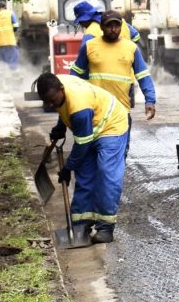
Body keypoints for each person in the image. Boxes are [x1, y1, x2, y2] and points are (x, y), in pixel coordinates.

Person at [38, 71, 129, 244]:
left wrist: (67, 167)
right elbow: (64, 106)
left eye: (53, 100)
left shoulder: (79, 108)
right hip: (90, 124)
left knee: (106, 174)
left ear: (61, 89)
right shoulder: (57, 86)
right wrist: (61, 126)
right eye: (47, 102)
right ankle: (80, 225)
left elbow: (82, 145)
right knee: (85, 176)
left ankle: (106, 228)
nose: (51, 104)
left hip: (111, 125)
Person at [70, 9, 156, 148]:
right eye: (109, 26)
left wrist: (150, 101)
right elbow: (75, 74)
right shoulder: (89, 46)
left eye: (117, 26)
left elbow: (143, 76)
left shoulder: (131, 48)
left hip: (122, 110)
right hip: (96, 110)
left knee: (122, 151)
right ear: (102, 27)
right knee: (95, 150)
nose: (113, 29)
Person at [73, 0, 141, 46]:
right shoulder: (120, 21)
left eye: (80, 22)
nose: (81, 25)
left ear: (85, 20)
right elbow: (136, 36)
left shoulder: (90, 32)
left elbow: (84, 56)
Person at [0, 0, 20, 71]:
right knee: (12, 64)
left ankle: (1, 80)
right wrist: (12, 31)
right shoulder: (10, 13)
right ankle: (12, 77)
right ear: (5, 7)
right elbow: (16, 26)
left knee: (0, 65)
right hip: (10, 42)